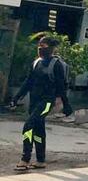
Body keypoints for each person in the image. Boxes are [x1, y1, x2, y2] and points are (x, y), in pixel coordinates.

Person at [12, 36, 67, 171]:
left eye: (43, 47)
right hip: (34, 101)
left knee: (28, 126)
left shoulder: (57, 64)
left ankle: (25, 158)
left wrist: (64, 103)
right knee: (38, 129)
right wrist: (16, 97)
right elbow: (28, 82)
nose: (40, 49)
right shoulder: (36, 63)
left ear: (51, 48)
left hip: (47, 102)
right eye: (39, 46)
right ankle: (41, 160)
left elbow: (61, 85)